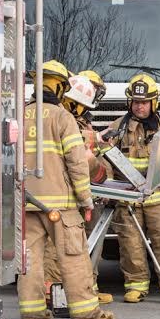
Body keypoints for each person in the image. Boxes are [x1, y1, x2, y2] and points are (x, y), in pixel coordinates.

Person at [19, 60, 113, 319]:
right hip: (60, 203)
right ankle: (85, 310)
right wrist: (86, 200)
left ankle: (32, 310)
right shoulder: (63, 117)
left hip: (26, 201)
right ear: (60, 87)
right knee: (74, 255)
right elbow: (77, 162)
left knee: (30, 259)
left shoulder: (18, 115)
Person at [104, 74, 160, 304]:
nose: (140, 106)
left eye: (144, 102)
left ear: (154, 103)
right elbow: (103, 156)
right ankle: (136, 286)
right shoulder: (119, 127)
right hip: (127, 198)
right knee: (130, 244)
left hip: (158, 197)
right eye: (136, 102)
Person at [44, 73, 114, 305]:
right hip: (63, 194)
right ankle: (52, 293)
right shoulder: (62, 120)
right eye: (83, 106)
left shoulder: (77, 120)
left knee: (80, 245)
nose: (85, 111)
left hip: (73, 193)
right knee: (58, 248)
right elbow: (79, 158)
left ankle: (87, 289)